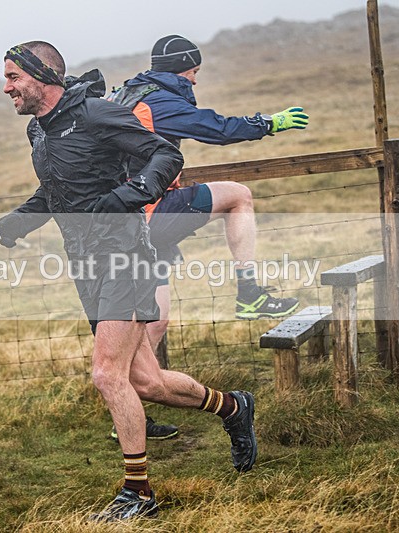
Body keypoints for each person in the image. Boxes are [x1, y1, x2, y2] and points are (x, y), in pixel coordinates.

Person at [0, 41, 257, 523]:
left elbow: (164, 156)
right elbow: (57, 189)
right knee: (146, 381)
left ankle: (138, 492)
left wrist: (131, 194)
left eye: (13, 77)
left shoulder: (96, 114)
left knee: (106, 374)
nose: (6, 87)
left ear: (42, 76)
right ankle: (234, 408)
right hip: (86, 265)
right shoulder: (39, 131)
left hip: (126, 257)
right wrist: (21, 219)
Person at [105, 34, 310, 441]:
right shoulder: (158, 102)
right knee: (238, 196)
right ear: (182, 68)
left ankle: (127, 415)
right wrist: (269, 123)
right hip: (147, 214)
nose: (195, 81)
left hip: (126, 223)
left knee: (154, 322)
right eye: (194, 72)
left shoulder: (125, 94)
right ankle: (249, 293)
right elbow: (214, 128)